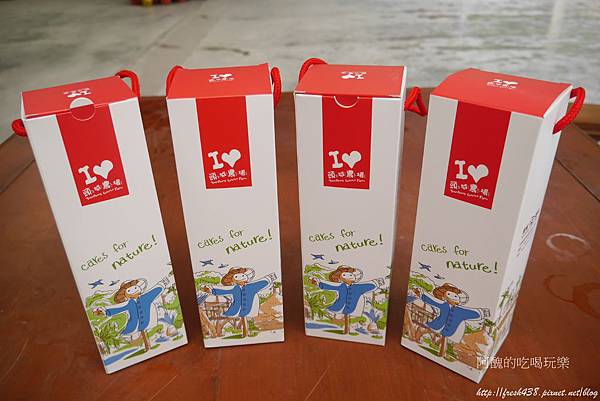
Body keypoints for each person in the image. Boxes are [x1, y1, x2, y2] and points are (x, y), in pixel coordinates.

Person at [413, 283, 490, 359]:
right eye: (449, 294)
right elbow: (432, 301)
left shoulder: (460, 310)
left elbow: (470, 312)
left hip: (450, 328)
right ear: (443, 296)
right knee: (431, 330)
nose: (453, 297)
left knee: (444, 337)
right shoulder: (443, 304)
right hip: (439, 323)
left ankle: (442, 353)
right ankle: (421, 331)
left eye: (456, 296)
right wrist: (421, 294)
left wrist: (481, 313)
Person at [94, 276, 169, 352]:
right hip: (134, 324)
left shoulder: (145, 297)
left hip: (147, 320)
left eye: (135, 287)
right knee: (133, 333)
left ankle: (147, 346)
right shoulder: (128, 303)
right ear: (125, 294)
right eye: (129, 290)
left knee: (145, 332)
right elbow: (118, 308)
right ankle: (141, 345)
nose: (133, 290)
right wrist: (104, 311)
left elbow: (154, 291)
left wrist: (162, 284)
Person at [203, 267, 276, 338]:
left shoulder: (251, 286)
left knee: (244, 318)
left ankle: (245, 333)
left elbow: (261, 283)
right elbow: (223, 290)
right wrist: (211, 290)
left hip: (249, 306)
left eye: (243, 275)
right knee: (235, 318)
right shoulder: (234, 288)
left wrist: (270, 278)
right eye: (236, 276)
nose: (240, 278)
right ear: (233, 279)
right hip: (237, 307)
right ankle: (244, 333)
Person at [310, 265, 384, 335]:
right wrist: (318, 282)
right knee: (337, 311)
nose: (348, 277)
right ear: (340, 277)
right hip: (340, 305)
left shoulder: (358, 287)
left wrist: (377, 283)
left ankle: (350, 327)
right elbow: (330, 285)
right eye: (344, 275)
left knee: (351, 313)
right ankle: (340, 321)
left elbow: (368, 285)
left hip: (352, 306)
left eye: (351, 275)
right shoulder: (340, 286)